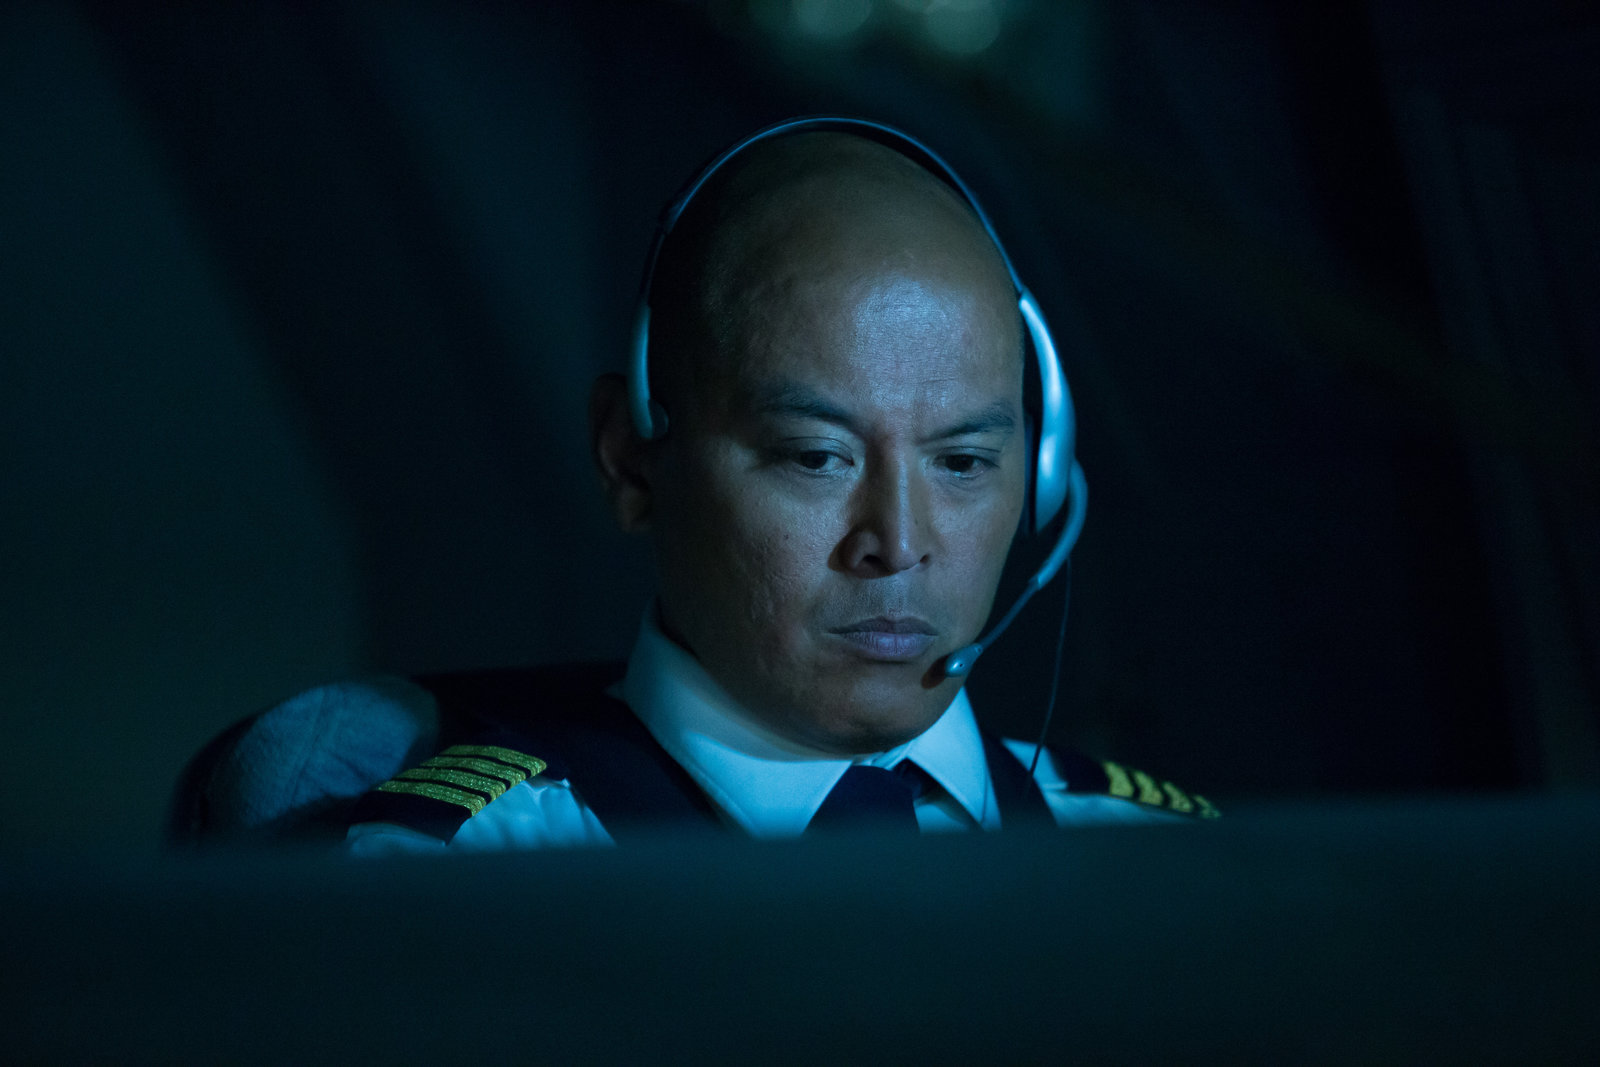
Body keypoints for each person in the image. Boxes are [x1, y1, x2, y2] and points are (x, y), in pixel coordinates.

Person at [340, 119, 1215, 855]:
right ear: (632, 459)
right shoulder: (452, 883)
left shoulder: (1167, 864)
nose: (898, 542)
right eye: (815, 457)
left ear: (1044, 474)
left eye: (960, 463)